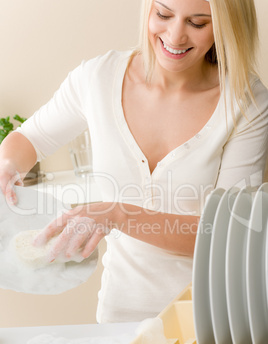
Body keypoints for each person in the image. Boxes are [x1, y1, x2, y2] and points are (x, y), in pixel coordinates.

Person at [0, 0, 267, 323]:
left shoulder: (246, 103)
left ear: (226, 28)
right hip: (119, 317)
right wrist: (8, 166)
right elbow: (30, 139)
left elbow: (228, 236)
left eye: (198, 23)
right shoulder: (98, 78)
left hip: (213, 319)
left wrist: (119, 214)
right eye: (164, 15)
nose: (175, 35)